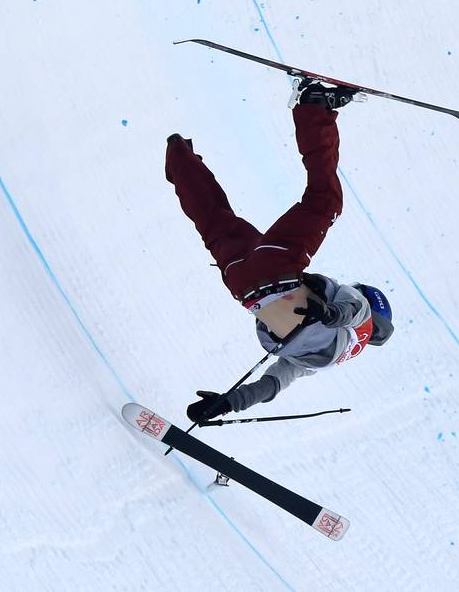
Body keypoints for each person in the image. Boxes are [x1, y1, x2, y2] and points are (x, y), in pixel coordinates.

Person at [165, 79, 395, 423]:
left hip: (279, 273)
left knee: (325, 203)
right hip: (243, 286)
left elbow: (354, 311)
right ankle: (179, 157)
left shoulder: (359, 322)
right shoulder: (310, 362)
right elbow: (272, 384)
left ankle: (315, 104)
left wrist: (334, 314)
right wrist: (228, 403)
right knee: (214, 223)